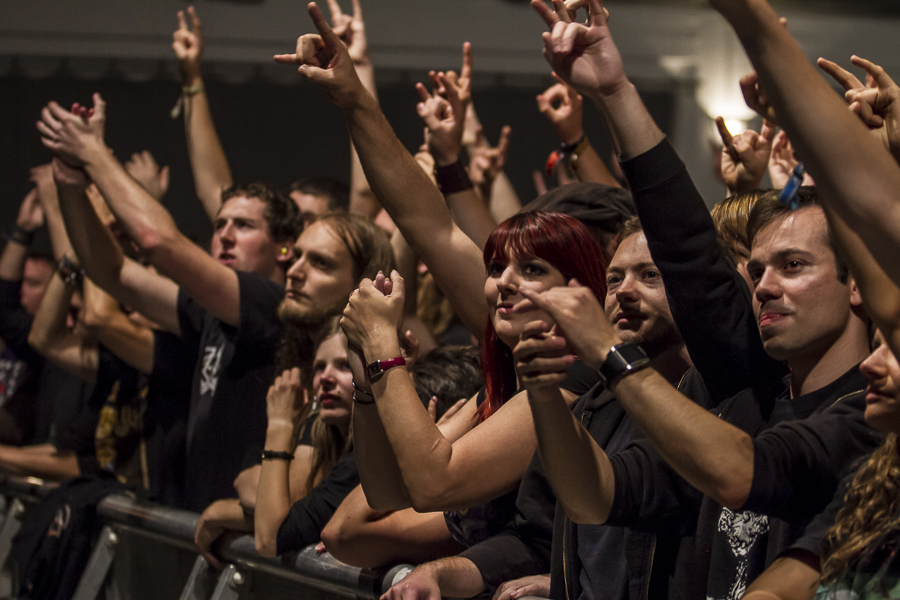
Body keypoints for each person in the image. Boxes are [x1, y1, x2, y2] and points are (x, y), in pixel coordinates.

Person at [381, 218, 708, 600]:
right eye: (615, 279)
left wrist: (380, 347)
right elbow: (535, 540)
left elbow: (429, 485)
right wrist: (437, 573)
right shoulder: (591, 408)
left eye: (650, 275)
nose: (625, 292)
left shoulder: (719, 404)